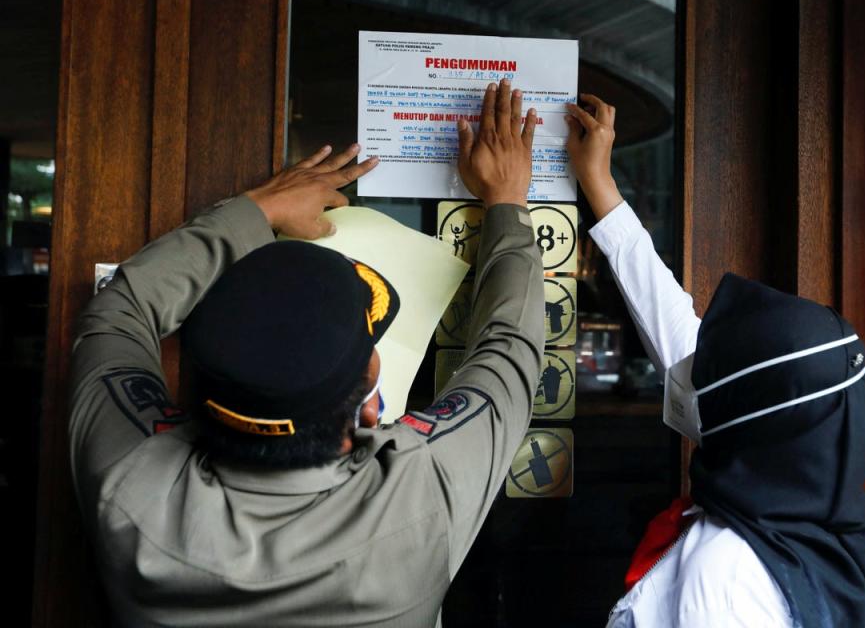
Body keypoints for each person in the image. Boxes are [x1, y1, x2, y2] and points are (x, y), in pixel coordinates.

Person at [68, 79, 544, 626]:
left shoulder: (130, 483)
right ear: (370, 402)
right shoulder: (420, 496)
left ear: (194, 390)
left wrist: (257, 209)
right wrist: (506, 199)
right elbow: (510, 347)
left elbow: (117, 310)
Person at [564, 95, 865, 627]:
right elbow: (676, 337)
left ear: (751, 418)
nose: (706, 370)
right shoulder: (828, 528)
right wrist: (600, 187)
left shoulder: (725, 570)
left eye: (724, 372)